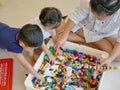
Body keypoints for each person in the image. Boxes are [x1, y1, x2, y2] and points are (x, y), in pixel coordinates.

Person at [55, 0, 120, 65]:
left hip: (108, 32)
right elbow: (75, 16)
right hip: (85, 26)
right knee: (57, 33)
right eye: (93, 13)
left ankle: (87, 38)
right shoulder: (88, 1)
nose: (95, 18)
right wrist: (65, 35)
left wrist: (111, 58)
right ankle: (94, 40)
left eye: (100, 18)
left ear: (114, 13)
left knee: (117, 57)